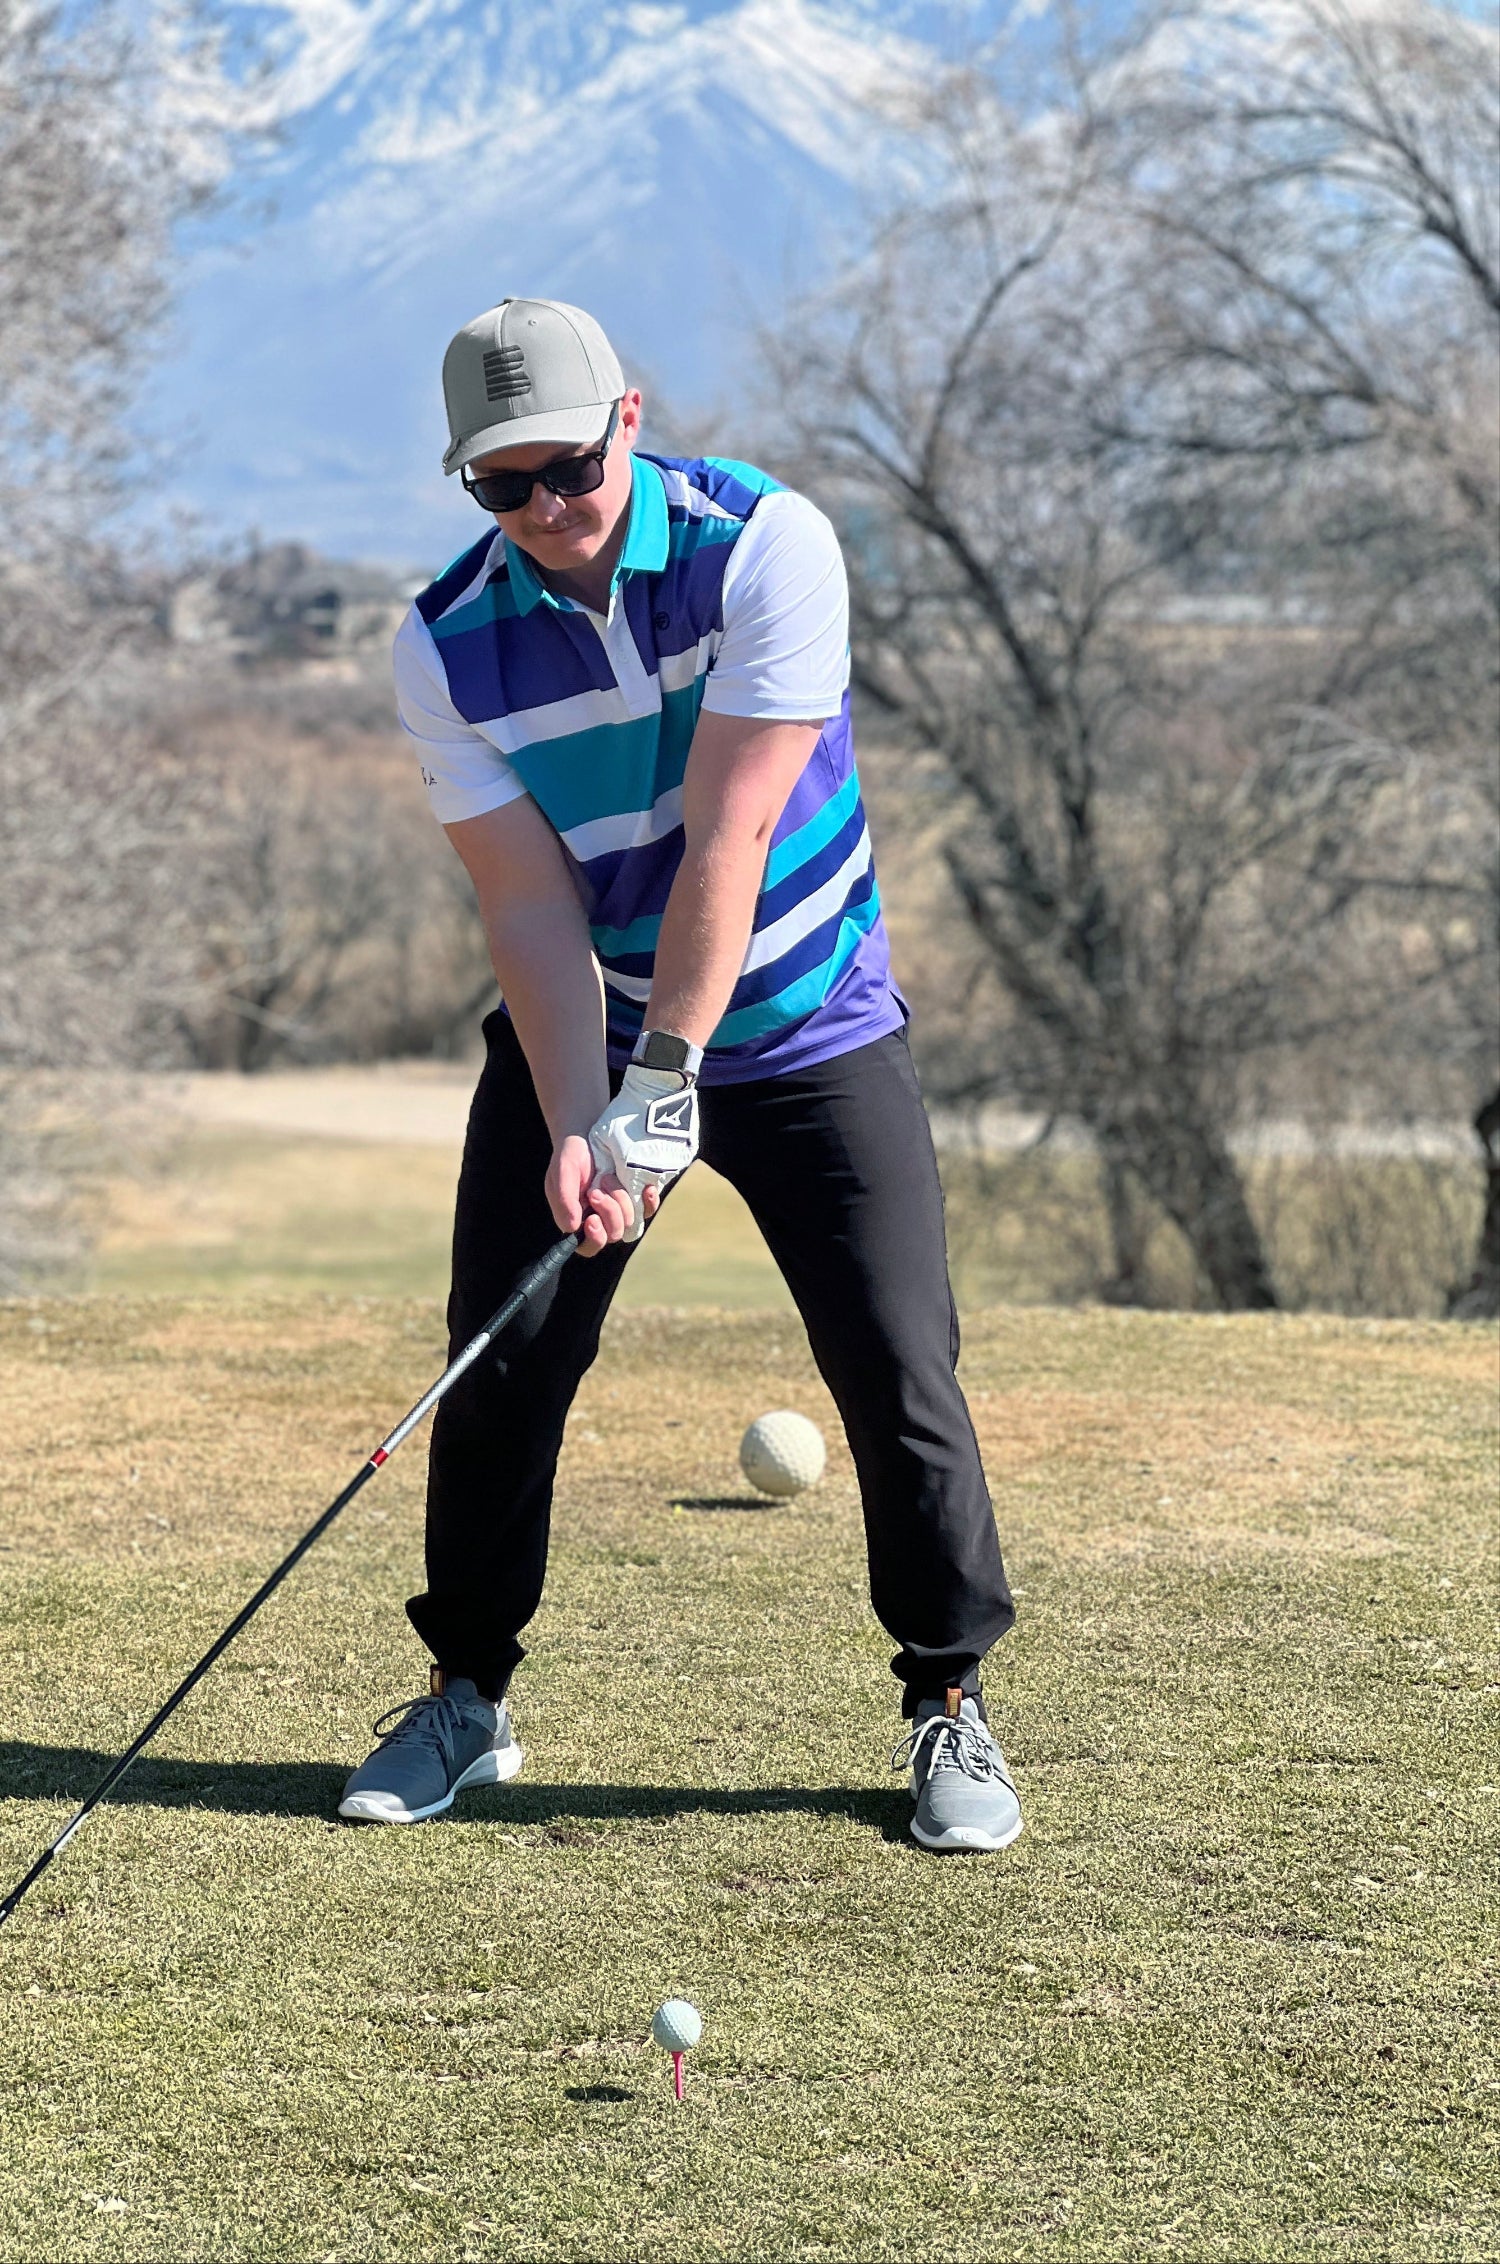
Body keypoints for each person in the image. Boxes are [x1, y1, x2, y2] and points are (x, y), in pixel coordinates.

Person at [338, 298, 1021, 1853]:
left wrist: (665, 1082)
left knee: (896, 1363)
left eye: (568, 470)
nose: (545, 515)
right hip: (592, 1018)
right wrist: (586, 1111)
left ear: (628, 423)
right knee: (503, 1361)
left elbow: (733, 834)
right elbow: (525, 902)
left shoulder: (764, 544)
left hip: (805, 1018)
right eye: (500, 488)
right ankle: (466, 1694)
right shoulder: (445, 644)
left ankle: (949, 1705)